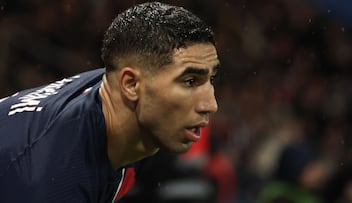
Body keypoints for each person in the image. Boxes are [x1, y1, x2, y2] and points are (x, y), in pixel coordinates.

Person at [0, 2, 219, 202]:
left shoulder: (117, 96)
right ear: (131, 85)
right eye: (190, 81)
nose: (210, 104)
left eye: (210, 79)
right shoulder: (50, 179)